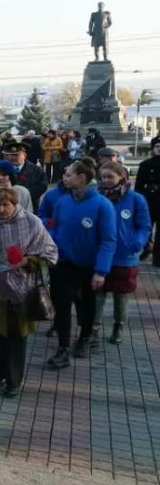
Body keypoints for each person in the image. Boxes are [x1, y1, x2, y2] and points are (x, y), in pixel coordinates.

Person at [0, 188, 59, 398]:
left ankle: (14, 381)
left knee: (17, 335)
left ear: (15, 203)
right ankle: (1, 372)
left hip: (23, 288)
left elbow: (50, 254)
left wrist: (27, 261)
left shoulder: (32, 223)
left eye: (6, 205)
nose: (1, 209)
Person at [46, 160, 117, 368]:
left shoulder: (103, 205)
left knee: (86, 305)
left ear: (82, 178)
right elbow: (54, 226)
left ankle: (85, 337)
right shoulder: (63, 201)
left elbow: (108, 240)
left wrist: (101, 271)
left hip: (88, 266)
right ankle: (63, 349)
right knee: (61, 304)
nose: (65, 177)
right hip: (63, 263)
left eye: (69, 174)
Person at [94, 162, 151, 344]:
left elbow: (144, 226)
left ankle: (118, 325)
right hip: (101, 254)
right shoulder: (97, 197)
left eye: (110, 176)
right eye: (103, 177)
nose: (107, 181)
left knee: (121, 295)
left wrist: (137, 243)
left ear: (121, 177)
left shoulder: (135, 199)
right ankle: (93, 327)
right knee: (97, 293)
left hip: (124, 256)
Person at [134, 137, 160, 266]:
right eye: (157, 146)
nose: (159, 149)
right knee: (147, 227)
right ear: (153, 148)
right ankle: (146, 250)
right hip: (149, 200)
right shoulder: (146, 164)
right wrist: (139, 201)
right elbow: (139, 185)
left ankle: (158, 257)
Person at [2, 141, 47, 210]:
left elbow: (42, 187)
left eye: (16, 155)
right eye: (10, 155)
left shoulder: (36, 170)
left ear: (24, 155)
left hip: (29, 206)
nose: (12, 158)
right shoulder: (2, 169)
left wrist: (23, 195)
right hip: (6, 207)